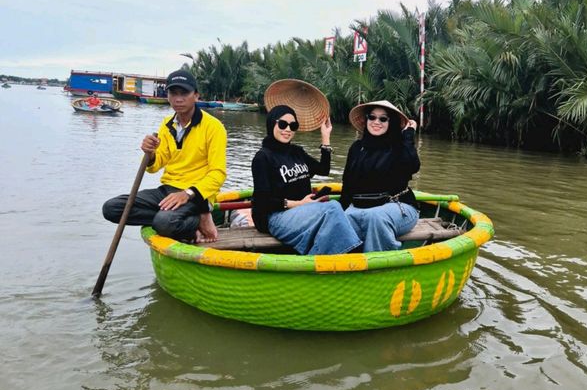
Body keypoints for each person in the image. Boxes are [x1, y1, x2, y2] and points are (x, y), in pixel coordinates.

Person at [102, 69, 227, 243]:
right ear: (167, 96)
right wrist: (150, 153)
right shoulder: (167, 124)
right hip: (167, 190)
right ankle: (191, 221)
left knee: (164, 222)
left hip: (197, 195)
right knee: (112, 208)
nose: (178, 98)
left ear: (196, 96)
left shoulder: (213, 127)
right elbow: (156, 164)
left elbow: (218, 174)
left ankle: (197, 217)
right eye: (173, 93)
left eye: (184, 93)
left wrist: (187, 194)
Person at [251, 105, 361, 255]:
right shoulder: (263, 157)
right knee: (333, 207)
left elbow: (323, 169)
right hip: (274, 217)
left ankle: (322, 259)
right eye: (283, 124)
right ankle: (354, 256)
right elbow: (261, 201)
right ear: (271, 124)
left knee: (334, 212)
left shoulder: (296, 152)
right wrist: (298, 203)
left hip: (303, 212)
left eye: (293, 125)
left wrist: (326, 137)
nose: (288, 129)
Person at [340, 100, 420, 252]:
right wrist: (341, 213)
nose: (376, 122)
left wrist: (408, 136)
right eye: (372, 117)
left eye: (383, 119)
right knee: (339, 222)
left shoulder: (399, 146)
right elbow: (347, 184)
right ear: (366, 119)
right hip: (361, 207)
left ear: (392, 122)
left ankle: (379, 267)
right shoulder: (357, 148)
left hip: (399, 207)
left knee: (376, 218)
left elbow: (413, 166)